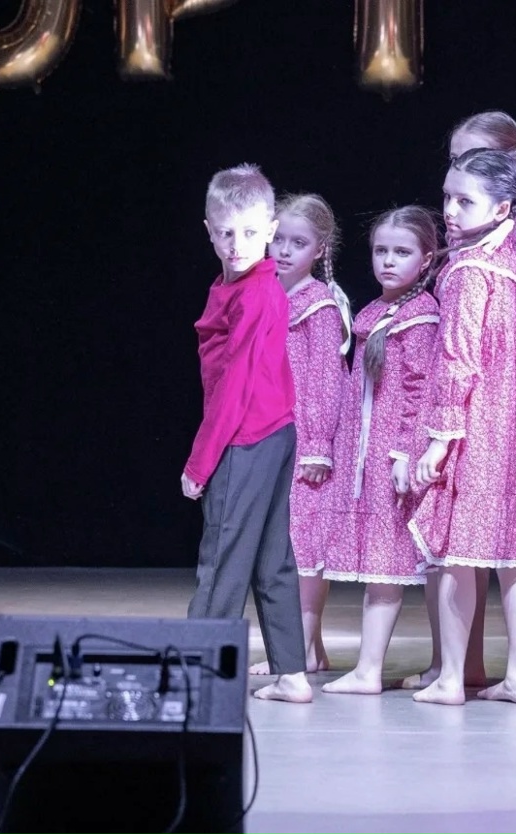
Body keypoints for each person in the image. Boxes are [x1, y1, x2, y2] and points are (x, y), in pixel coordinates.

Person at [410, 149, 516, 706]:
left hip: (476, 422)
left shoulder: (468, 269)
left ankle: (451, 677)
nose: (450, 210)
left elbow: (458, 357)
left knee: (458, 554)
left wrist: (440, 439)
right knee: (514, 555)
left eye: (465, 201)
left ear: (502, 208)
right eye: (447, 197)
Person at [182, 163, 311, 704]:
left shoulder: (256, 293)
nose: (238, 245)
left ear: (271, 230)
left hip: (248, 438)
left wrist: (199, 463)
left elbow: (233, 386)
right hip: (272, 432)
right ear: (209, 231)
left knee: (222, 559)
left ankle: (198, 675)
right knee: (270, 559)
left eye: (251, 233)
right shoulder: (236, 285)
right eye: (226, 233)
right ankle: (292, 674)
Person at [323, 207, 440, 694]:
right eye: (381, 251)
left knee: (386, 566)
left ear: (426, 259)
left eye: (402, 252)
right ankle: (366, 666)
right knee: (376, 566)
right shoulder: (374, 312)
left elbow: (420, 391)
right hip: (366, 455)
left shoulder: (420, 314)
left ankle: (370, 670)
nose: (389, 261)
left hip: (392, 456)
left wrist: (404, 452)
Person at [243, 193, 352, 676]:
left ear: (320, 248)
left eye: (299, 243)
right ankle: (312, 647)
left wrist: (317, 448)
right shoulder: (270, 294)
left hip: (307, 442)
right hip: (275, 434)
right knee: (289, 543)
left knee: (302, 548)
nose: (285, 250)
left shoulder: (318, 304)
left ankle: (302, 646)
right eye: (280, 240)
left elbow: (327, 382)